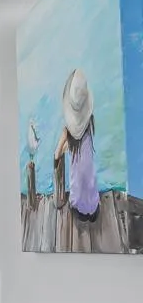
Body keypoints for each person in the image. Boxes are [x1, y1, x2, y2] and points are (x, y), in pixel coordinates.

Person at [54, 68, 98, 220]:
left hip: (78, 205)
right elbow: (81, 147)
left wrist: (64, 148)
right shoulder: (90, 123)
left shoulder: (67, 131)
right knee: (87, 171)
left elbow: (56, 154)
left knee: (76, 180)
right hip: (94, 207)